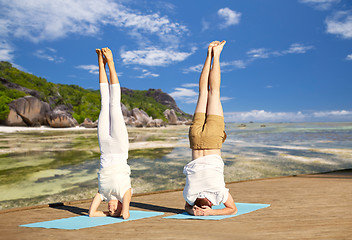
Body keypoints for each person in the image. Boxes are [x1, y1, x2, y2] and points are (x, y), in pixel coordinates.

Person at [183, 40, 237, 216]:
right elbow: (186, 207)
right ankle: (208, 54)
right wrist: (196, 211)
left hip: (213, 140)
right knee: (203, 92)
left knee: (214, 92)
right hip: (196, 139)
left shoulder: (218, 195)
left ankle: (217, 54)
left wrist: (209, 213)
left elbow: (232, 209)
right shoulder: (189, 196)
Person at [88, 47, 132, 219]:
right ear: (121, 206)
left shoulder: (103, 193)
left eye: (110, 210)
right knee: (115, 105)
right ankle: (111, 63)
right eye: (115, 210)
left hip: (105, 148)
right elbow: (126, 214)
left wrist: (107, 214)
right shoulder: (125, 194)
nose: (111, 209)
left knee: (104, 103)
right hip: (120, 148)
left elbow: (92, 214)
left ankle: (100, 62)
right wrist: (123, 212)